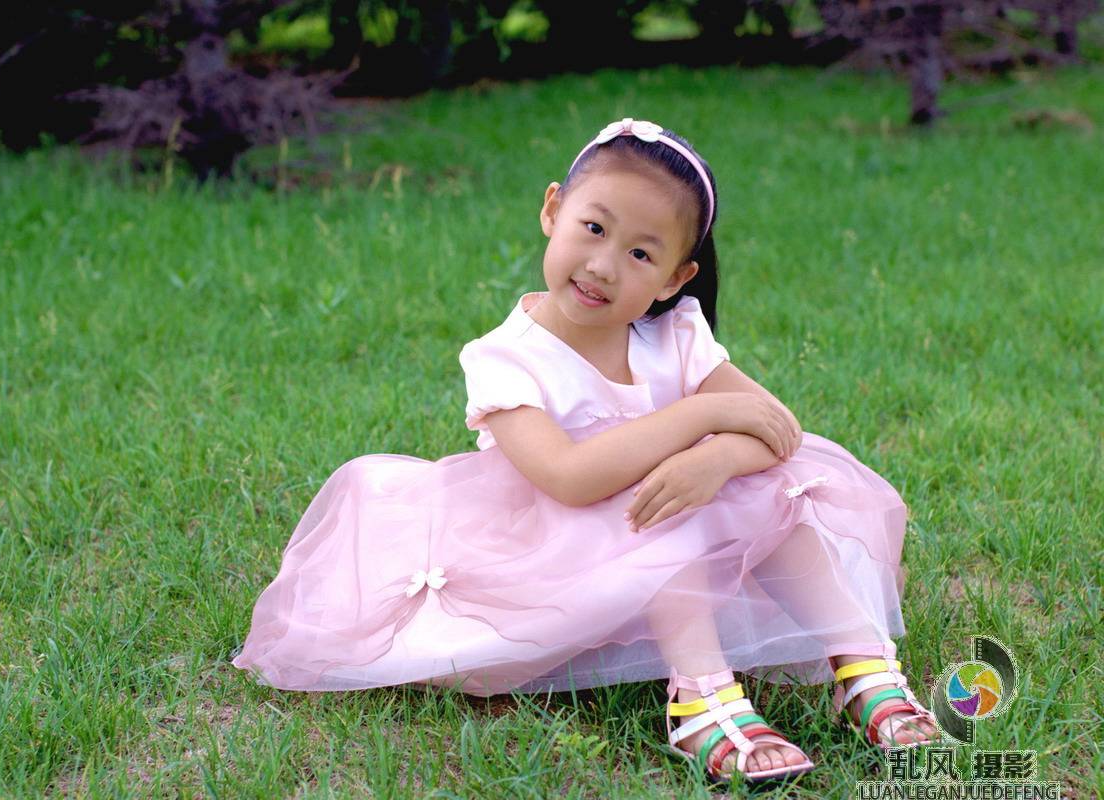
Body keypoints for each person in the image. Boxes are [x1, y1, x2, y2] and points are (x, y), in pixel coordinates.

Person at [232, 117, 941, 783]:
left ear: (675, 278)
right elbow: (569, 478)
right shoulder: (508, 357)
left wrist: (717, 458)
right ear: (553, 210)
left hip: (668, 529)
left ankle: (862, 668)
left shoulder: (676, 337)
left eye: (640, 253)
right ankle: (700, 697)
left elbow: (777, 428)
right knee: (659, 511)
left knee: (783, 489)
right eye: (593, 228)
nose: (603, 265)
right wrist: (704, 415)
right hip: (550, 548)